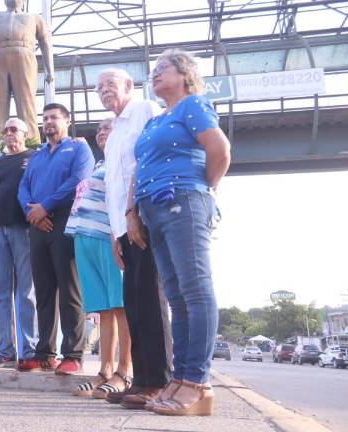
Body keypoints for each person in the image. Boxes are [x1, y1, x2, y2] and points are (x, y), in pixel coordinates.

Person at [132, 49, 230, 416]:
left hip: (183, 200)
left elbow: (220, 150)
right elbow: (139, 165)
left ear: (185, 74)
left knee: (195, 289)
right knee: (176, 295)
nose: (154, 75)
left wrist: (203, 189)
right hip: (153, 209)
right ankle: (179, 377)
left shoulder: (193, 105)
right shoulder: (156, 120)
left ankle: (196, 382)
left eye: (163, 69)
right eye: (153, 71)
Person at [93, 68, 173, 407]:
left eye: (110, 84)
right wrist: (114, 235)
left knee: (152, 302)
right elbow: (112, 188)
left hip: (142, 218)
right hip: (123, 228)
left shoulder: (144, 110)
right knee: (134, 304)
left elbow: (146, 166)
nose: (104, 91)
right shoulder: (112, 136)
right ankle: (140, 380)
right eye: (98, 88)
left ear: (129, 85)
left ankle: (160, 381)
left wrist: (133, 214)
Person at [17, 103, 94, 375]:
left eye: (54, 117)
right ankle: (44, 354)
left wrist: (45, 206)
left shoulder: (79, 149)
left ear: (67, 121)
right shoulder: (36, 156)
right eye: (45, 118)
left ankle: (73, 354)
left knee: (70, 289)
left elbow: (78, 180)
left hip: (65, 221)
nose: (48, 122)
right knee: (44, 292)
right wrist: (32, 210)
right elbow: (23, 186)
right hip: (38, 224)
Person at [65, 119, 132, 397]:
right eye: (100, 130)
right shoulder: (98, 165)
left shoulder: (123, 162)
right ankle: (104, 370)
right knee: (102, 308)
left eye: (109, 128)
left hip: (109, 237)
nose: (102, 133)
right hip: (84, 238)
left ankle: (124, 371)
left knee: (120, 305)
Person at [0, 118, 38, 368]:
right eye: (6, 131)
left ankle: (30, 352)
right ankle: (4, 350)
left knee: (26, 291)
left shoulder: (36, 157)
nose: (9, 134)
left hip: (24, 229)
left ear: (25, 133)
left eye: (14, 129)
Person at [0, 0, 54, 140]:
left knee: (27, 103)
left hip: (24, 56)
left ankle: (32, 142)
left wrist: (49, 68)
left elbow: (45, 41)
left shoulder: (34, 18)